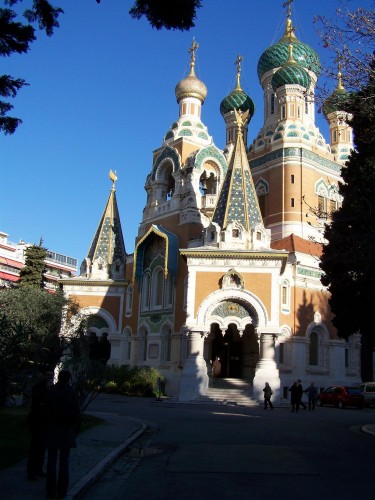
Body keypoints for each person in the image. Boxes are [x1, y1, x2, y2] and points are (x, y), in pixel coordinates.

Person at [45, 370, 80, 500]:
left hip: (53, 429)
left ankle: (50, 491)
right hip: (66, 430)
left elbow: (46, 412)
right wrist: (76, 428)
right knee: (64, 462)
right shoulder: (71, 392)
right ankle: (62, 491)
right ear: (68, 379)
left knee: (51, 462)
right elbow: (76, 412)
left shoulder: (51, 391)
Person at [27, 370, 52, 480]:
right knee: (35, 447)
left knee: (42, 447)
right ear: (43, 376)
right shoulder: (39, 387)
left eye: (51, 375)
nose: (50, 377)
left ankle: (39, 468)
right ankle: (31, 471)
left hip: (46, 421)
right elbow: (37, 400)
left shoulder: (50, 387)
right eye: (48, 375)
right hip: (37, 420)